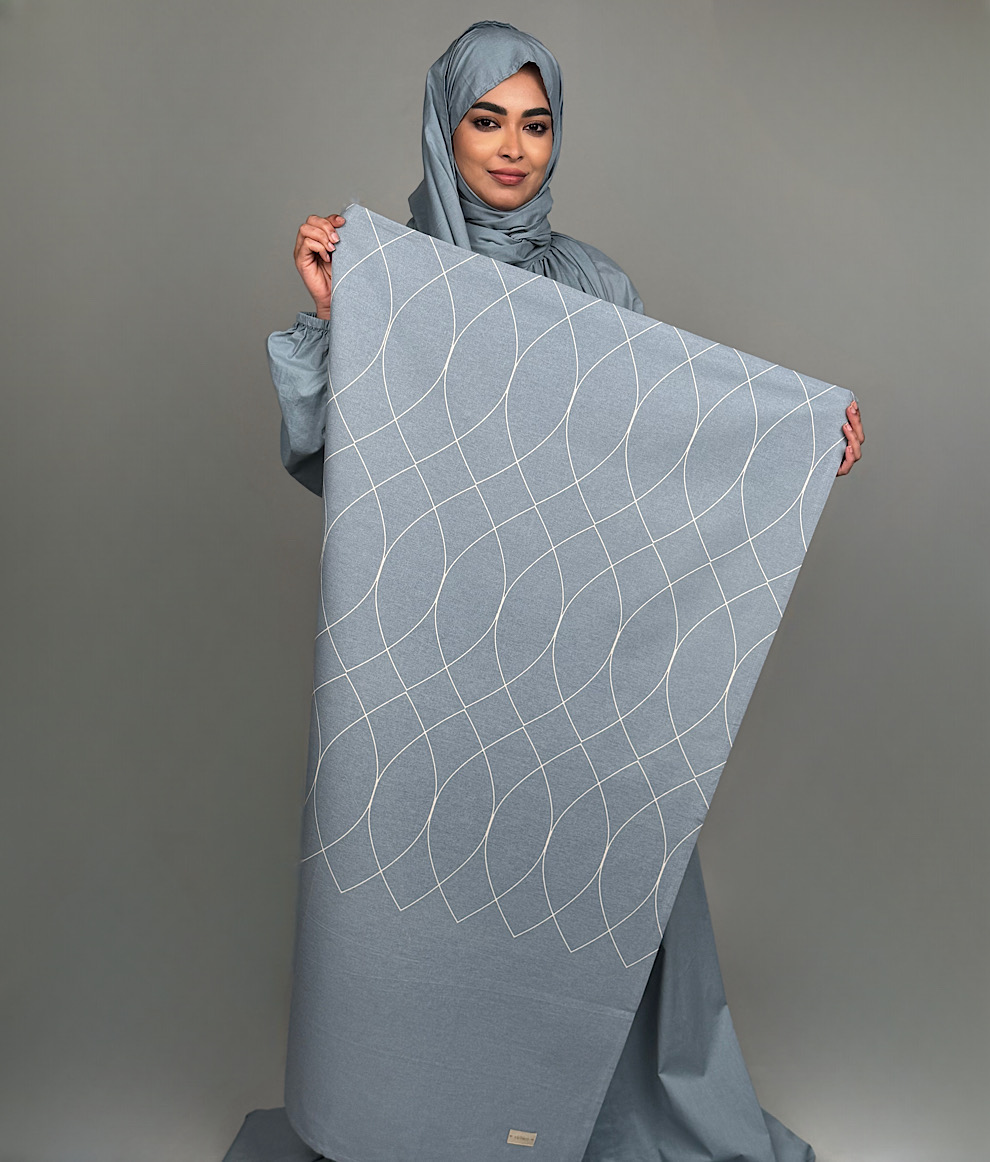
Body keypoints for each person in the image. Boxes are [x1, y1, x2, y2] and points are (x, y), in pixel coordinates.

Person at [265, 20, 864, 1162]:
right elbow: (346, 476)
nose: (513, 149)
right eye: (486, 120)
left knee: (596, 882)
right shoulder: (390, 274)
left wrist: (792, 444)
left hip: (572, 656)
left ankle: (578, 1122)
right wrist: (341, 316)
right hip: (430, 654)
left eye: (535, 125)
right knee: (417, 893)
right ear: (444, 130)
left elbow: (653, 449)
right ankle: (414, 1121)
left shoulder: (595, 285)